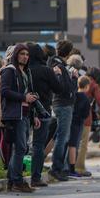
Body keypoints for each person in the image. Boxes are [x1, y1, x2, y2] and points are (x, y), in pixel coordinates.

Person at [0, 44, 39, 193]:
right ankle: (17, 180)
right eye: (22, 54)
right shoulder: (9, 71)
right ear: (16, 55)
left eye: (27, 54)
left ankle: (12, 179)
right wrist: (23, 97)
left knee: (21, 147)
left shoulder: (25, 72)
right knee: (21, 147)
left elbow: (29, 95)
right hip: (15, 114)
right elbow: (4, 91)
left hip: (25, 113)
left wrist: (34, 115)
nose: (25, 57)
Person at [26, 43, 62, 187]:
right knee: (38, 145)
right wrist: (57, 75)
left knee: (20, 145)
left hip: (24, 110)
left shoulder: (24, 70)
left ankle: (14, 175)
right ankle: (35, 177)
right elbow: (58, 89)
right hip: (43, 111)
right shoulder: (46, 71)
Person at [48, 40, 77, 182]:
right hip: (63, 105)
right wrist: (73, 79)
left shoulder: (57, 64)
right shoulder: (59, 66)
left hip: (60, 104)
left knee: (58, 136)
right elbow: (65, 88)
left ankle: (59, 167)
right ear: (69, 52)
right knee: (62, 137)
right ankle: (56, 168)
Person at [75, 66, 100, 176]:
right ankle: (79, 167)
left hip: (74, 114)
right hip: (86, 116)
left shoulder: (79, 79)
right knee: (83, 143)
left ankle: (69, 166)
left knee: (74, 142)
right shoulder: (94, 85)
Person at [65, 76, 91, 178]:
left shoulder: (74, 95)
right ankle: (72, 168)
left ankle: (66, 166)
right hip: (79, 123)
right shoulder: (85, 98)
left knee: (68, 144)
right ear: (87, 86)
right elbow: (86, 113)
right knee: (74, 145)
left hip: (70, 120)